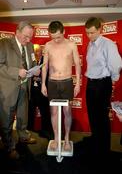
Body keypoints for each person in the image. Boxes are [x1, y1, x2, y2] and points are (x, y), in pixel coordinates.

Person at [0, 21, 39, 159]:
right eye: (25, 37)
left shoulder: (29, 46)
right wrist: (17, 71)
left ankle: (23, 136)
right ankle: (8, 146)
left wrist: (36, 69)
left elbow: (32, 62)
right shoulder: (4, 43)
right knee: (7, 119)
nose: (28, 40)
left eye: (30, 37)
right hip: (8, 88)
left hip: (24, 86)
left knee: (23, 115)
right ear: (17, 32)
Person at [84, 17, 122, 156]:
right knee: (93, 115)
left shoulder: (108, 44)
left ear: (100, 29)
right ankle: (96, 140)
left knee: (102, 117)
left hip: (102, 84)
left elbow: (116, 64)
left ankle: (104, 148)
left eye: (92, 32)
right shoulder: (90, 44)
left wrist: (112, 80)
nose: (89, 36)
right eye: (87, 33)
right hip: (91, 83)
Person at [41, 21, 81, 151]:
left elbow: (78, 64)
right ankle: (57, 138)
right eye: (53, 37)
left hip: (67, 82)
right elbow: (45, 66)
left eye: (58, 37)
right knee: (53, 111)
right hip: (52, 82)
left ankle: (67, 138)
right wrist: (43, 84)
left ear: (63, 32)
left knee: (67, 111)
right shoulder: (47, 45)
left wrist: (78, 83)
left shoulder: (71, 44)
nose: (56, 40)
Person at [28, 44, 52, 138]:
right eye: (34, 51)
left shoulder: (46, 61)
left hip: (43, 90)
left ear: (41, 51)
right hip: (32, 90)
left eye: (37, 51)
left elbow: (50, 73)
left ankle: (46, 130)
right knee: (30, 111)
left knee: (45, 111)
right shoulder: (30, 61)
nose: (35, 53)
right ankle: (29, 130)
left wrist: (41, 78)